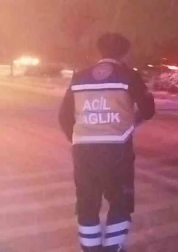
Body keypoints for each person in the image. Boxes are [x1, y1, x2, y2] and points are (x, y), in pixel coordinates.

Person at [58, 33, 155, 252]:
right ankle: (113, 248)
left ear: (99, 51)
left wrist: (78, 138)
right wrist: (137, 116)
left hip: (83, 150)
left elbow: (64, 116)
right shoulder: (129, 76)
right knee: (120, 201)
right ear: (125, 53)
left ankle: (91, 248)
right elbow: (148, 110)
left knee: (87, 203)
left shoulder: (79, 77)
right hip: (117, 148)